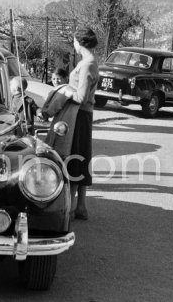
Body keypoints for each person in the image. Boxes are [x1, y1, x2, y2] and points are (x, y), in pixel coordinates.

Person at [63, 27, 99, 221]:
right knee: (82, 158)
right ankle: (81, 206)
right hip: (84, 115)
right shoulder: (89, 62)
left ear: (80, 42)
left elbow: (81, 97)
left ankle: (68, 208)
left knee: (76, 159)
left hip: (79, 114)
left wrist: (65, 92)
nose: (73, 44)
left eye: (74, 41)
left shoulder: (86, 64)